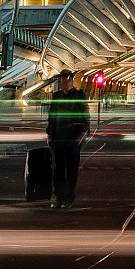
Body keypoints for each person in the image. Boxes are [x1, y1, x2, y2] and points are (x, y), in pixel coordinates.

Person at [46, 69, 91, 208]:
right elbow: (52, 117)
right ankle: (58, 197)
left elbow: (85, 114)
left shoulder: (79, 95)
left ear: (69, 79)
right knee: (58, 169)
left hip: (73, 138)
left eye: (62, 79)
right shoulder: (56, 96)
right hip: (58, 138)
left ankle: (68, 198)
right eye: (59, 80)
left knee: (71, 169)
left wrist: (83, 133)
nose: (59, 82)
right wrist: (49, 134)